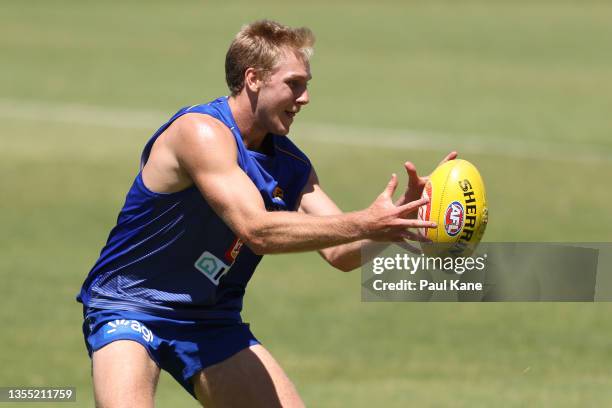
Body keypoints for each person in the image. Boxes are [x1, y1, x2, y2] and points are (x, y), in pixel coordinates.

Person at [77, 19, 456, 407]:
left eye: (306, 84)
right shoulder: (201, 133)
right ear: (253, 78)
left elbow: (341, 254)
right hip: (130, 305)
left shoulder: (291, 166)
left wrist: (398, 221)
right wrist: (364, 221)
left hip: (211, 319)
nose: (305, 97)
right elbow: (256, 229)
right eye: (294, 83)